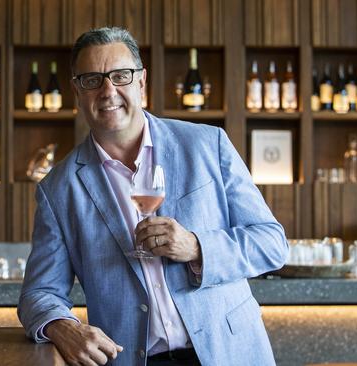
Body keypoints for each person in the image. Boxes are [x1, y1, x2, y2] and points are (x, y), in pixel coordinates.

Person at [18, 27, 289, 366]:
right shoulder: (58, 189)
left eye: (120, 76)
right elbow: (38, 293)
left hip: (228, 352)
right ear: (77, 90)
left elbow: (272, 243)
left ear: (141, 82)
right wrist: (62, 326)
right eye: (92, 80)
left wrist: (196, 247)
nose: (108, 90)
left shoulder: (208, 144)